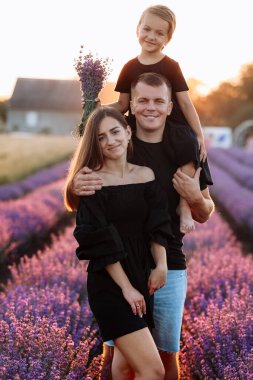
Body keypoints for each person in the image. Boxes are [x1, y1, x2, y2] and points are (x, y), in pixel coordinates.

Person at [71, 72, 215, 380]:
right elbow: (85, 208)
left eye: (159, 101)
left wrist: (195, 199)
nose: (151, 107)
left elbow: (202, 211)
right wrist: (74, 184)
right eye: (144, 101)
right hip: (119, 267)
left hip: (169, 265)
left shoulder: (184, 145)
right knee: (115, 360)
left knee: (165, 356)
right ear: (131, 107)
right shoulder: (116, 142)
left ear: (170, 106)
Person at [64, 106, 174, 380]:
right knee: (153, 370)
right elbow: (98, 241)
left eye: (115, 132)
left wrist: (161, 264)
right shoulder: (91, 181)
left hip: (142, 275)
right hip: (110, 282)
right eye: (101, 137)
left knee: (125, 368)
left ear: (127, 132)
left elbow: (158, 225)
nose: (110, 141)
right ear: (95, 144)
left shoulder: (146, 174)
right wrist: (126, 288)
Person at [99, 4, 210, 234]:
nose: (151, 36)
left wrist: (198, 134)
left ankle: (183, 205)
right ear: (137, 29)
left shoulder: (171, 66)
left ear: (167, 39)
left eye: (160, 33)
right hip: (137, 124)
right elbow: (121, 105)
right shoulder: (129, 67)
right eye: (147, 29)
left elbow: (186, 103)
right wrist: (95, 109)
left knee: (188, 145)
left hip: (173, 124)